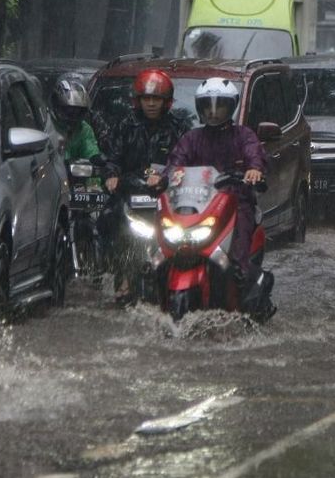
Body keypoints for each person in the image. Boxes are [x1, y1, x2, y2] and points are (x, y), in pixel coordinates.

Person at [165, 77, 268, 284]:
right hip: (197, 203)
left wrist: (254, 170)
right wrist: (161, 177)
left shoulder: (243, 135)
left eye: (219, 105)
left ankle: (239, 272)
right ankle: (157, 270)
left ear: (230, 107)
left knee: (242, 223)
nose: (213, 111)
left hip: (235, 201)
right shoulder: (191, 138)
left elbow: (254, 154)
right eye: (207, 106)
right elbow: (175, 163)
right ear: (200, 108)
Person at [101, 68, 189, 304]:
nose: (151, 104)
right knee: (109, 219)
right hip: (130, 193)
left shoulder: (179, 128)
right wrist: (111, 175)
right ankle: (122, 276)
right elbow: (112, 157)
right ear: (138, 101)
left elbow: (185, 161)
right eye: (147, 99)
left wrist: (166, 178)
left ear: (166, 102)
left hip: (167, 195)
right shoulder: (125, 126)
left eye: (156, 99)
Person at [51, 76, 104, 164]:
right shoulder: (48, 126)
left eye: (79, 112)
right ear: (57, 105)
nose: (73, 116)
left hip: (76, 173)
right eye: (69, 111)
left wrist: (95, 158)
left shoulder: (84, 129)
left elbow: (89, 149)